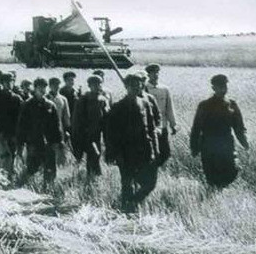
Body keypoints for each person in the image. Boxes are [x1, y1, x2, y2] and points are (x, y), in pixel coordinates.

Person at [105, 74, 159, 213]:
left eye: (138, 85)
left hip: (144, 150)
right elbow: (110, 134)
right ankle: (126, 211)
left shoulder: (146, 103)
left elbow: (152, 129)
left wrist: (155, 149)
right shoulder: (117, 107)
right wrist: (114, 154)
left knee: (150, 183)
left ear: (141, 85)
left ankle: (133, 201)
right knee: (127, 183)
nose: (136, 87)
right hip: (125, 152)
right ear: (126, 87)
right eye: (132, 85)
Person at [190, 74, 249, 188]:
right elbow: (196, 128)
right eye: (220, 87)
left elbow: (239, 128)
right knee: (211, 177)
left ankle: (218, 192)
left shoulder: (232, 104)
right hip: (208, 146)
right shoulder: (204, 105)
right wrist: (194, 147)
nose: (223, 89)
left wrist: (245, 143)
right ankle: (214, 199)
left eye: (225, 86)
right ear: (213, 88)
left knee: (231, 172)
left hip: (226, 145)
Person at [16, 77, 61, 185]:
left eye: (44, 87)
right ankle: (20, 186)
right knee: (32, 168)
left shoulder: (50, 105)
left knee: (50, 169)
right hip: (33, 142)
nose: (42, 90)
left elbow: (56, 125)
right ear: (35, 88)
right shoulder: (27, 105)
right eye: (40, 87)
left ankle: (48, 190)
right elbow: (22, 126)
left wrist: (57, 141)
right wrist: (20, 144)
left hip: (48, 143)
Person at [72, 74, 111, 179]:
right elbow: (77, 120)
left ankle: (93, 178)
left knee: (95, 156)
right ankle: (93, 177)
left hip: (97, 134)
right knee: (94, 155)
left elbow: (106, 117)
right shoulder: (83, 99)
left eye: (99, 84)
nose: (97, 86)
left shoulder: (103, 100)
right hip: (86, 134)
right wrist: (79, 135)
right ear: (89, 86)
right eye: (94, 84)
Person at [145, 63, 177, 165]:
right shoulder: (144, 88)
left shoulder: (164, 89)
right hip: (149, 126)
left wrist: (173, 125)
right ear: (148, 74)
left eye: (157, 72)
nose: (155, 75)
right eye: (152, 72)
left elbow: (169, 108)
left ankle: (159, 169)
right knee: (151, 151)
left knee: (165, 152)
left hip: (162, 125)